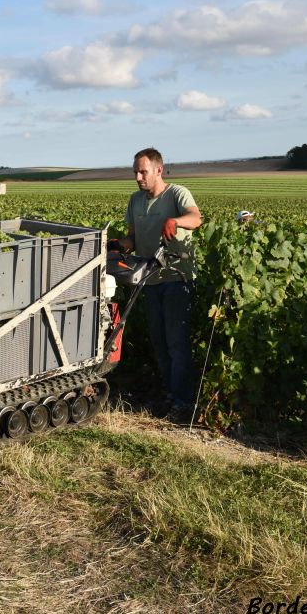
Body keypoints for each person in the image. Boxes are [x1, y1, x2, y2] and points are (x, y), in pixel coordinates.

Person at [113, 147, 202, 418]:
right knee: (160, 342)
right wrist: (117, 245)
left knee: (177, 342)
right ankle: (169, 395)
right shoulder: (135, 200)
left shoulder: (177, 194)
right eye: (135, 172)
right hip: (148, 279)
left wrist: (175, 221)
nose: (138, 177)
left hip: (176, 278)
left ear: (158, 170)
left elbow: (195, 218)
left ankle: (183, 402)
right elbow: (133, 239)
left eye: (143, 171)